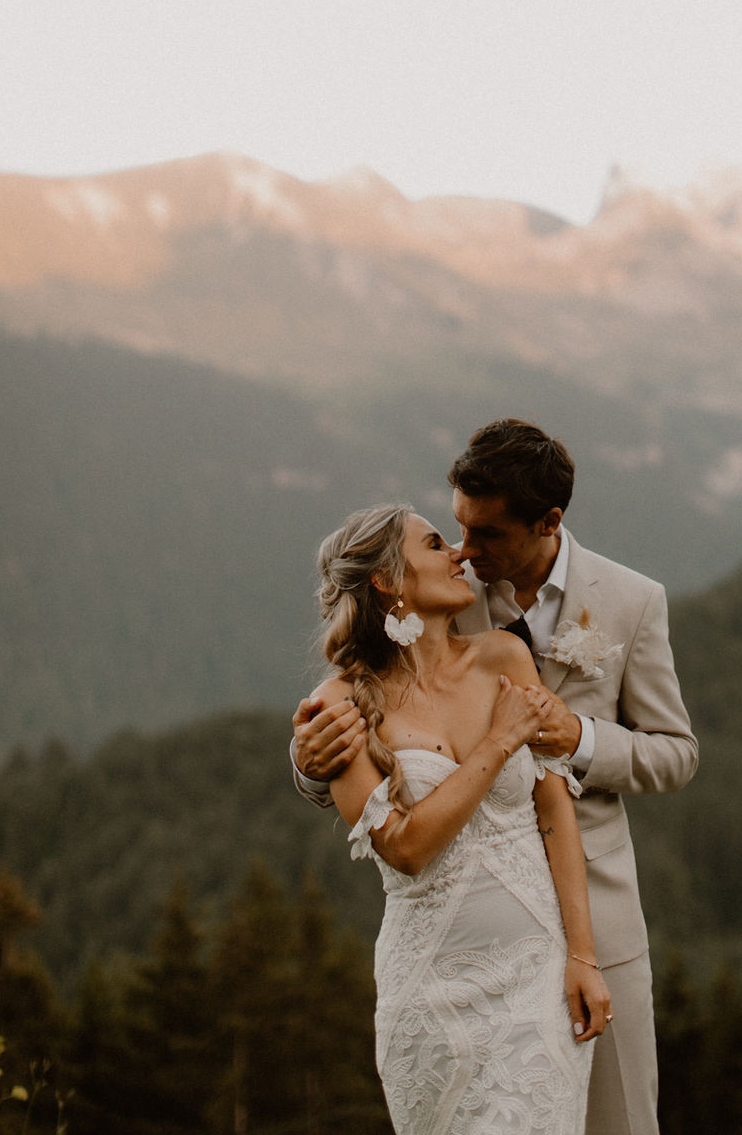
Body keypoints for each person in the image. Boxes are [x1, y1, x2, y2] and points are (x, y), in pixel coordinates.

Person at [293, 420, 698, 1135]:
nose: (466, 552)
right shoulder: (448, 600)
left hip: (586, 912)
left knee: (623, 1122)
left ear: (548, 523)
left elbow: (676, 753)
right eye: (456, 531)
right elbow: (366, 709)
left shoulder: (632, 603)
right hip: (447, 949)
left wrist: (578, 738)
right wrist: (311, 761)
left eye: (486, 536)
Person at [308, 500, 611, 1135]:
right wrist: (499, 743)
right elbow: (407, 849)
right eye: (436, 544)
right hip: (429, 997)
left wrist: (583, 957)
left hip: (536, 979)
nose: (459, 554)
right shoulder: (338, 706)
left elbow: (553, 809)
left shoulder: (504, 657)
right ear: (389, 580)